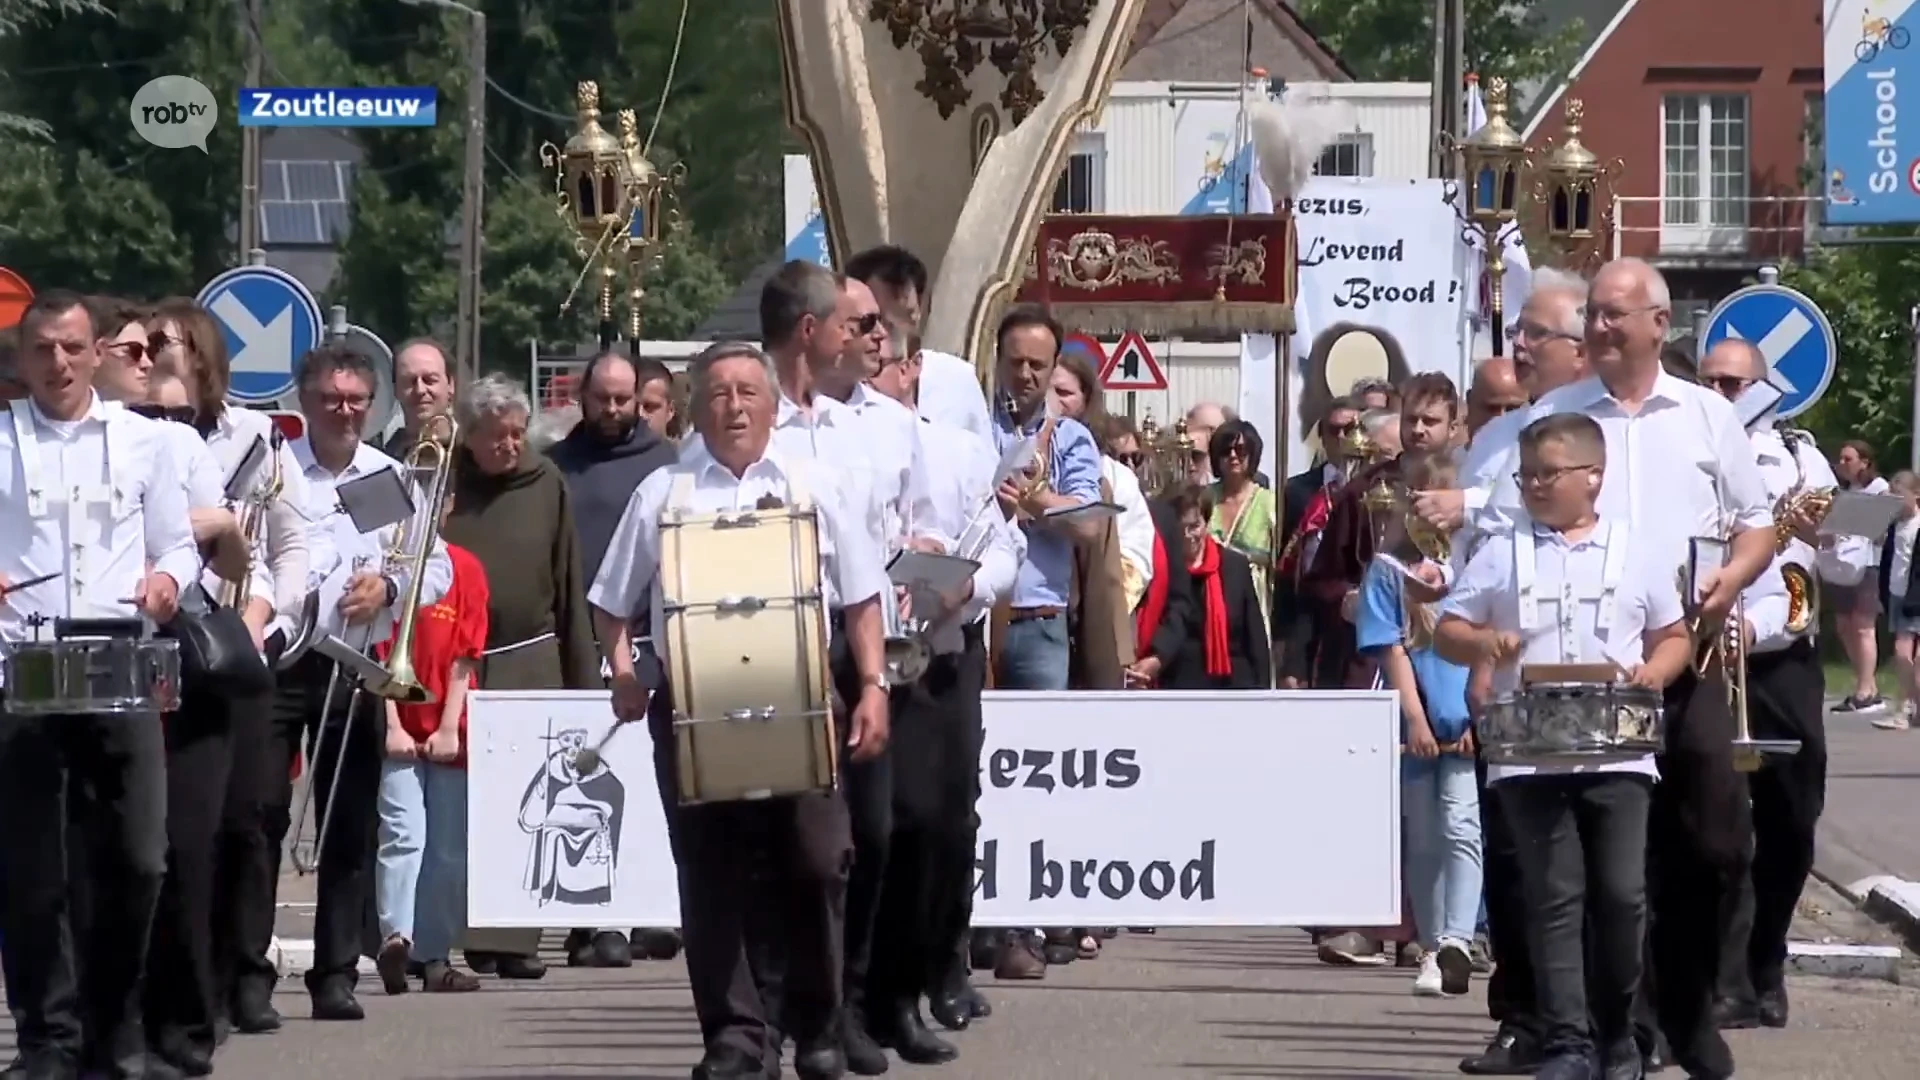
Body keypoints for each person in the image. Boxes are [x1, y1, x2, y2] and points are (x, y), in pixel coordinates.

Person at [1477, 258, 1774, 1080]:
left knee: (1713, 840)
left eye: (1615, 315)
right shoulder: (1558, 414)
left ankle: (1688, 1006)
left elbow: (1758, 525)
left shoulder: (1708, 417)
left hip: (1686, 650)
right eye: (1593, 317)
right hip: (1581, 675)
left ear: (1658, 321)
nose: (1600, 329)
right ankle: (1615, 1028)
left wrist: (1733, 579)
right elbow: (1508, 522)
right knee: (1603, 866)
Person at [588, 341, 892, 1080]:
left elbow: (861, 599)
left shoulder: (817, 485)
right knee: (712, 874)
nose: (733, 406)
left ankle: (818, 1025)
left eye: (748, 392)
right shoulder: (663, 493)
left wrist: (875, 687)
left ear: (772, 404)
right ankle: (736, 1037)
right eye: (718, 393)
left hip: (803, 699)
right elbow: (611, 602)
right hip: (694, 707)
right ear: (696, 407)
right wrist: (623, 672)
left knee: (818, 862)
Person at [1436, 412, 1697, 1080]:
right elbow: (1447, 629)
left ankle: (1621, 1036)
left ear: (1593, 477)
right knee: (1553, 899)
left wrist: (1655, 671)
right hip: (1530, 751)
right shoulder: (1503, 549)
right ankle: (1568, 1044)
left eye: (1548, 474)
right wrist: (1482, 643)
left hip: (1618, 751)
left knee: (1620, 895)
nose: (1534, 487)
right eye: (1526, 476)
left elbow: (1674, 635)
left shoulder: (1634, 548)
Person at [0, 289, 196, 1079]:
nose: (58, 364)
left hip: (120, 667)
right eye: (42, 350)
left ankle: (116, 1033)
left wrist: (166, 585)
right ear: (21, 359)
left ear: (96, 354)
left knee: (139, 860)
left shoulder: (146, 441)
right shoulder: (2, 439)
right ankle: (48, 1039)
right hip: (22, 669)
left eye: (73, 348)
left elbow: (178, 545)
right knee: (29, 867)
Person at [256, 343, 454, 1023]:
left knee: (349, 827)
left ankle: (335, 973)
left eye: (357, 400)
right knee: (260, 819)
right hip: (281, 662)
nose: (344, 411)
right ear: (303, 401)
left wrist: (390, 585)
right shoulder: (276, 474)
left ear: (374, 407)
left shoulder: (393, 476)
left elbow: (437, 569)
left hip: (356, 664)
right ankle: (247, 974)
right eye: (330, 398)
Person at [147, 296, 315, 1040]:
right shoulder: (130, 435)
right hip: (155, 644)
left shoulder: (256, 437)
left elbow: (295, 544)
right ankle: (188, 987)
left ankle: (248, 974)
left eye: (172, 344)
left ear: (206, 356)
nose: (155, 354)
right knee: (176, 831)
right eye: (148, 345)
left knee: (247, 819)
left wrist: (264, 619)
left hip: (233, 645)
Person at [863, 324, 1022, 1061]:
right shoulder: (843, 438)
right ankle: (860, 987)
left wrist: (967, 585)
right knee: (871, 829)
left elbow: (1000, 550)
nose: (888, 371)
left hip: (943, 649)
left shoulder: (957, 447)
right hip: (864, 648)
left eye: (896, 357)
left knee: (942, 823)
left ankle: (936, 969)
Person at [1698, 337, 1858, 1029]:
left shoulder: (1799, 458)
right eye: (1711, 381)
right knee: (1719, 822)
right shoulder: (1684, 447)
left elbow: (1842, 568)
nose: (1722, 394)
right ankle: (1724, 977)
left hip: (1781, 661)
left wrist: (1833, 534)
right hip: (1705, 658)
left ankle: (1766, 960)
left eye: (1734, 384)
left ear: (1762, 390)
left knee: (1791, 821)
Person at [440, 373, 602, 980]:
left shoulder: (546, 482)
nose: (509, 446)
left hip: (529, 658)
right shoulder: (446, 483)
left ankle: (512, 939)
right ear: (469, 436)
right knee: (456, 806)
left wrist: (584, 688)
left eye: (516, 434)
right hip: (454, 660)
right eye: (495, 437)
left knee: (523, 803)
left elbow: (568, 582)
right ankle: (444, 932)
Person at [546, 350, 682, 969]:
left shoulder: (668, 466)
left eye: (624, 399)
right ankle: (589, 924)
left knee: (648, 786)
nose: (613, 409)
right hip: (574, 640)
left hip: (648, 644)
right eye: (602, 398)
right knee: (583, 785)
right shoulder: (557, 466)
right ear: (582, 395)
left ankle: (651, 911)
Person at [1356, 450, 1481, 1001]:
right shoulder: (1389, 569)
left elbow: (1494, 642)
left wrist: (1483, 711)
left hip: (1468, 716)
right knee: (1424, 837)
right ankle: (1430, 946)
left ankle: (1458, 938)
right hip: (1418, 720)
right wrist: (1414, 718)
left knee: (1462, 829)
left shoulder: (1482, 564)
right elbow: (1390, 647)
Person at [372, 489, 486, 995]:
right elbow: (376, 652)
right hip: (399, 722)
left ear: (449, 505)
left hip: (450, 725)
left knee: (448, 848)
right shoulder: (382, 570)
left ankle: (436, 956)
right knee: (402, 835)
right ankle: (396, 938)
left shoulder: (465, 568)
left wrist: (447, 726)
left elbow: (467, 653)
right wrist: (393, 724)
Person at [844, 244, 991, 441]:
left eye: (907, 315)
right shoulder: (841, 386)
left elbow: (985, 462)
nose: (882, 334)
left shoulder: (958, 379)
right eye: (876, 320)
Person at [1143, 483, 1271, 688]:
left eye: (1194, 526)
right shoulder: (1161, 571)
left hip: (1235, 688)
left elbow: (1255, 639)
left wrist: (1263, 693)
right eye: (1180, 529)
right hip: (1179, 688)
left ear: (1206, 522)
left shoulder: (1234, 566)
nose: (1187, 536)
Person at [1831, 439, 1890, 715]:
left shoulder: (1878, 489)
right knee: (1844, 626)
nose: (1842, 464)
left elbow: (1880, 529)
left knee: (1863, 626)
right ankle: (1866, 684)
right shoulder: (1844, 491)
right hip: (1842, 562)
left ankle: (1866, 690)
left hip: (1868, 564)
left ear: (1864, 462)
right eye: (1841, 459)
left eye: (1848, 459)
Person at [1206, 419, 1277, 628]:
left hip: (1253, 601)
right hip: (1210, 596)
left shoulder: (1270, 503)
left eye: (1240, 449)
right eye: (1225, 450)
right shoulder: (1204, 498)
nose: (1233, 456)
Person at [383, 338, 457, 460]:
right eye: (409, 382)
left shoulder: (476, 454)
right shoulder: (382, 461)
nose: (420, 390)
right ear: (395, 389)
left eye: (430, 380)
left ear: (451, 385)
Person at [1465, 356, 1527, 443]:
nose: (1501, 418)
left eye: (1512, 410)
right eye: (1492, 408)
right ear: (1470, 402)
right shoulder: (1453, 456)